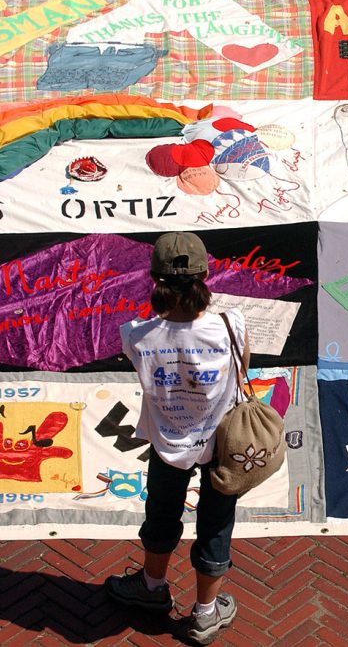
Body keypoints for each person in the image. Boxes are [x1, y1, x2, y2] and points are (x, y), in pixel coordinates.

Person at [109, 231, 249, 645]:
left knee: (162, 513)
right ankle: (205, 613)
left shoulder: (134, 333)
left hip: (167, 442)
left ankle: (152, 587)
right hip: (224, 442)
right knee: (217, 523)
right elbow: (243, 371)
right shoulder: (231, 324)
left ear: (154, 280)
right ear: (206, 274)